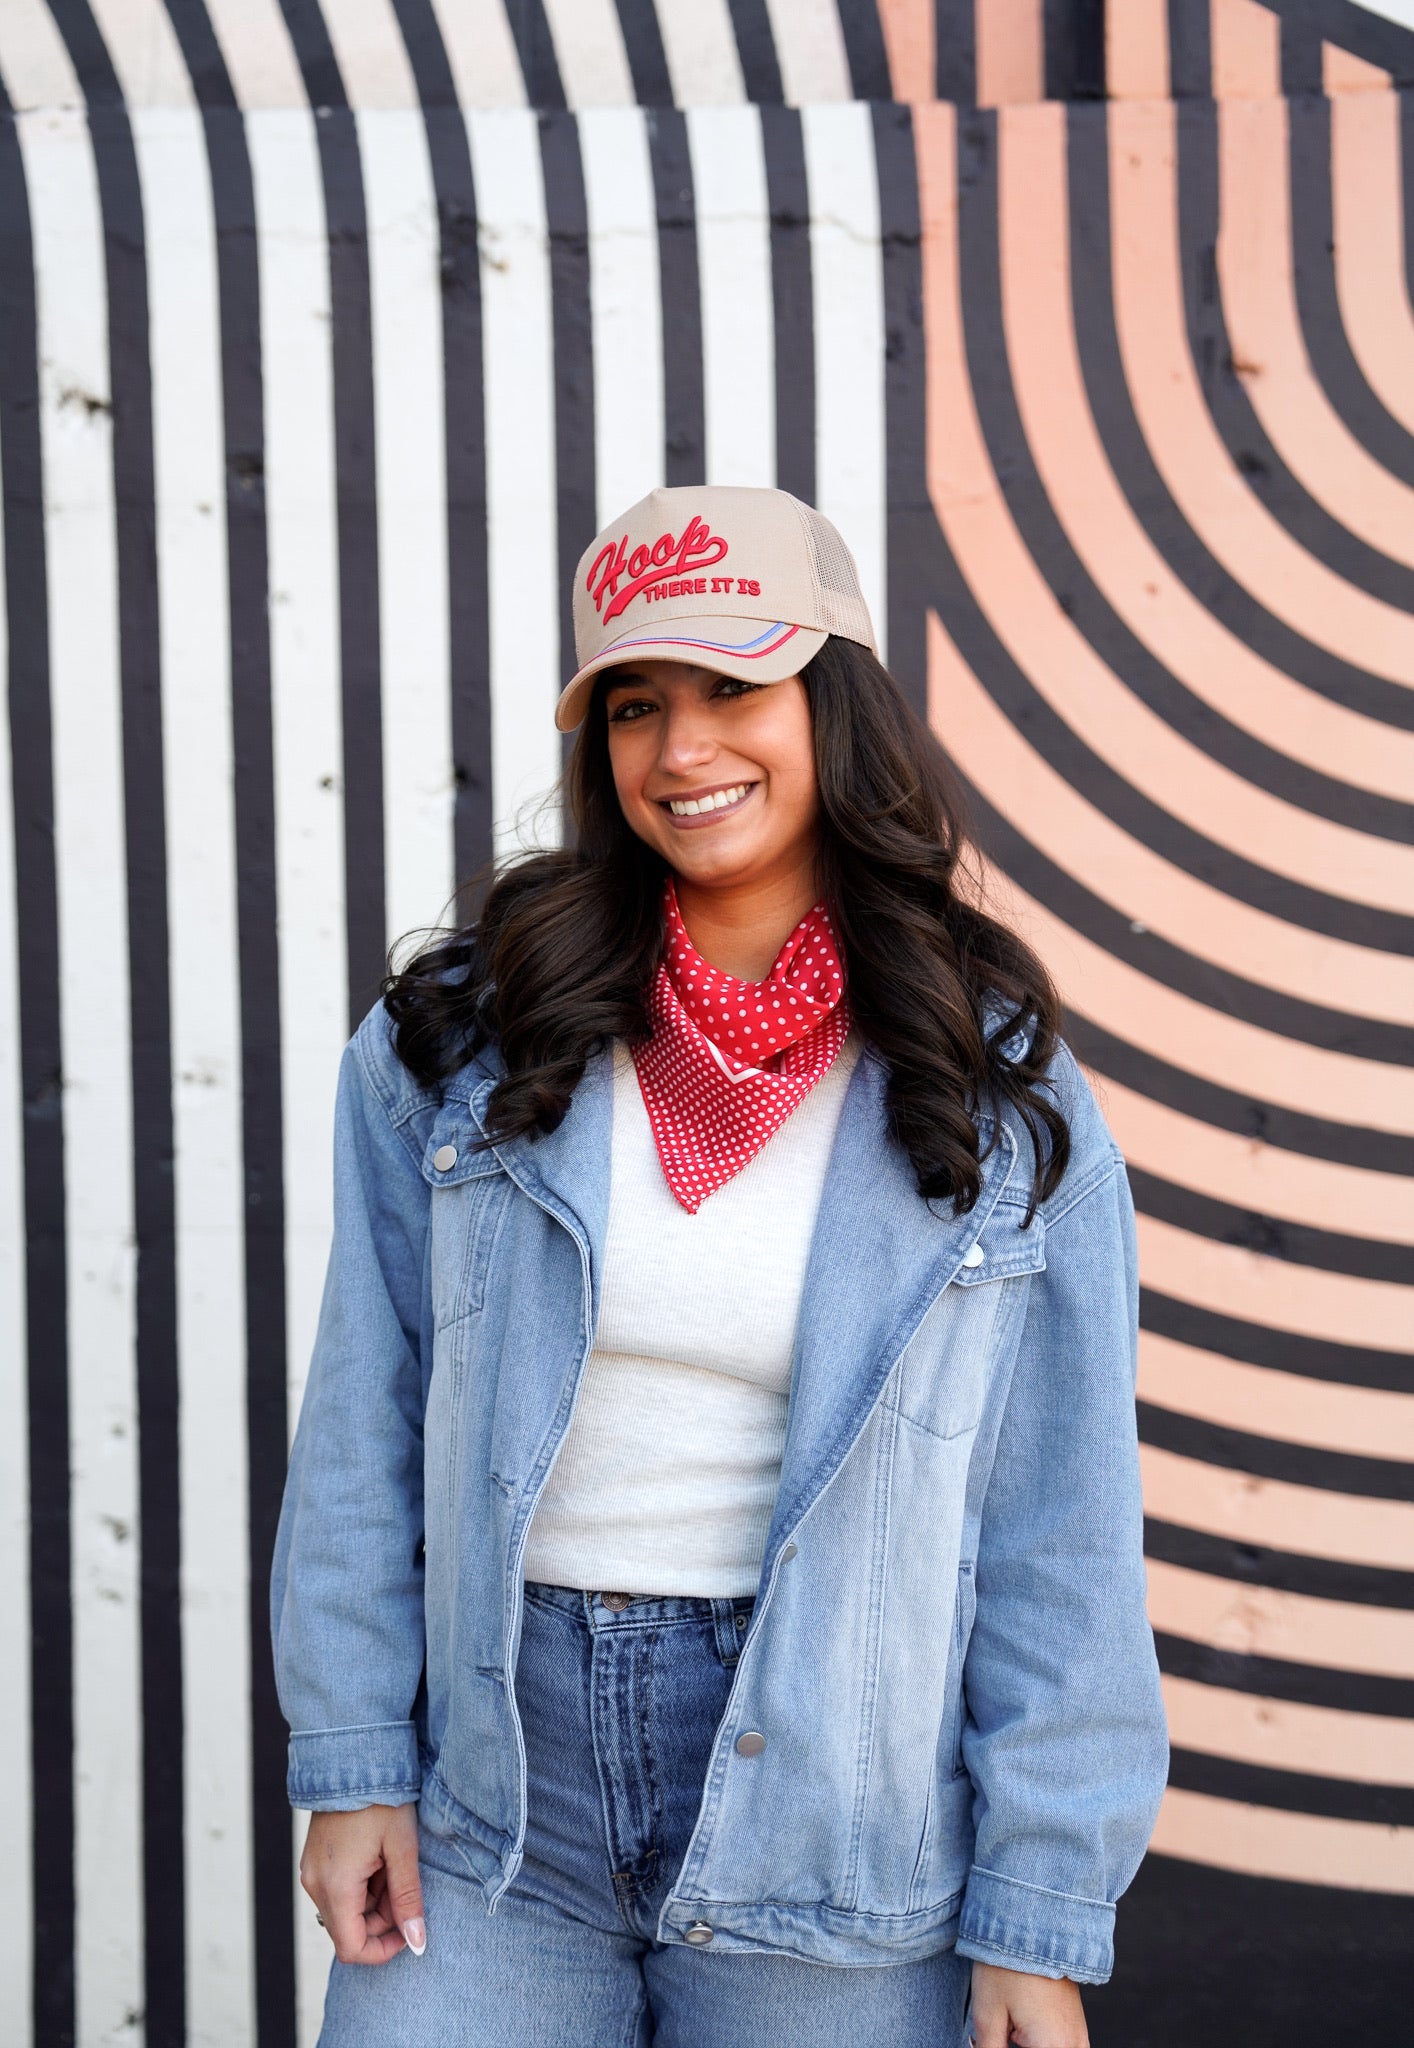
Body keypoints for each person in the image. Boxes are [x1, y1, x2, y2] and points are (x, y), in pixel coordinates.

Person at [271, 484, 1168, 2048]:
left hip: (838, 1836)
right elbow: (366, 1413)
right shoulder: (461, 1043)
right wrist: (352, 1758)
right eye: (635, 706)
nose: (681, 752)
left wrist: (1041, 1914)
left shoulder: (995, 1082)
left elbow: (1056, 1528)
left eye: (733, 687)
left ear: (835, 703)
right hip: (499, 1816)